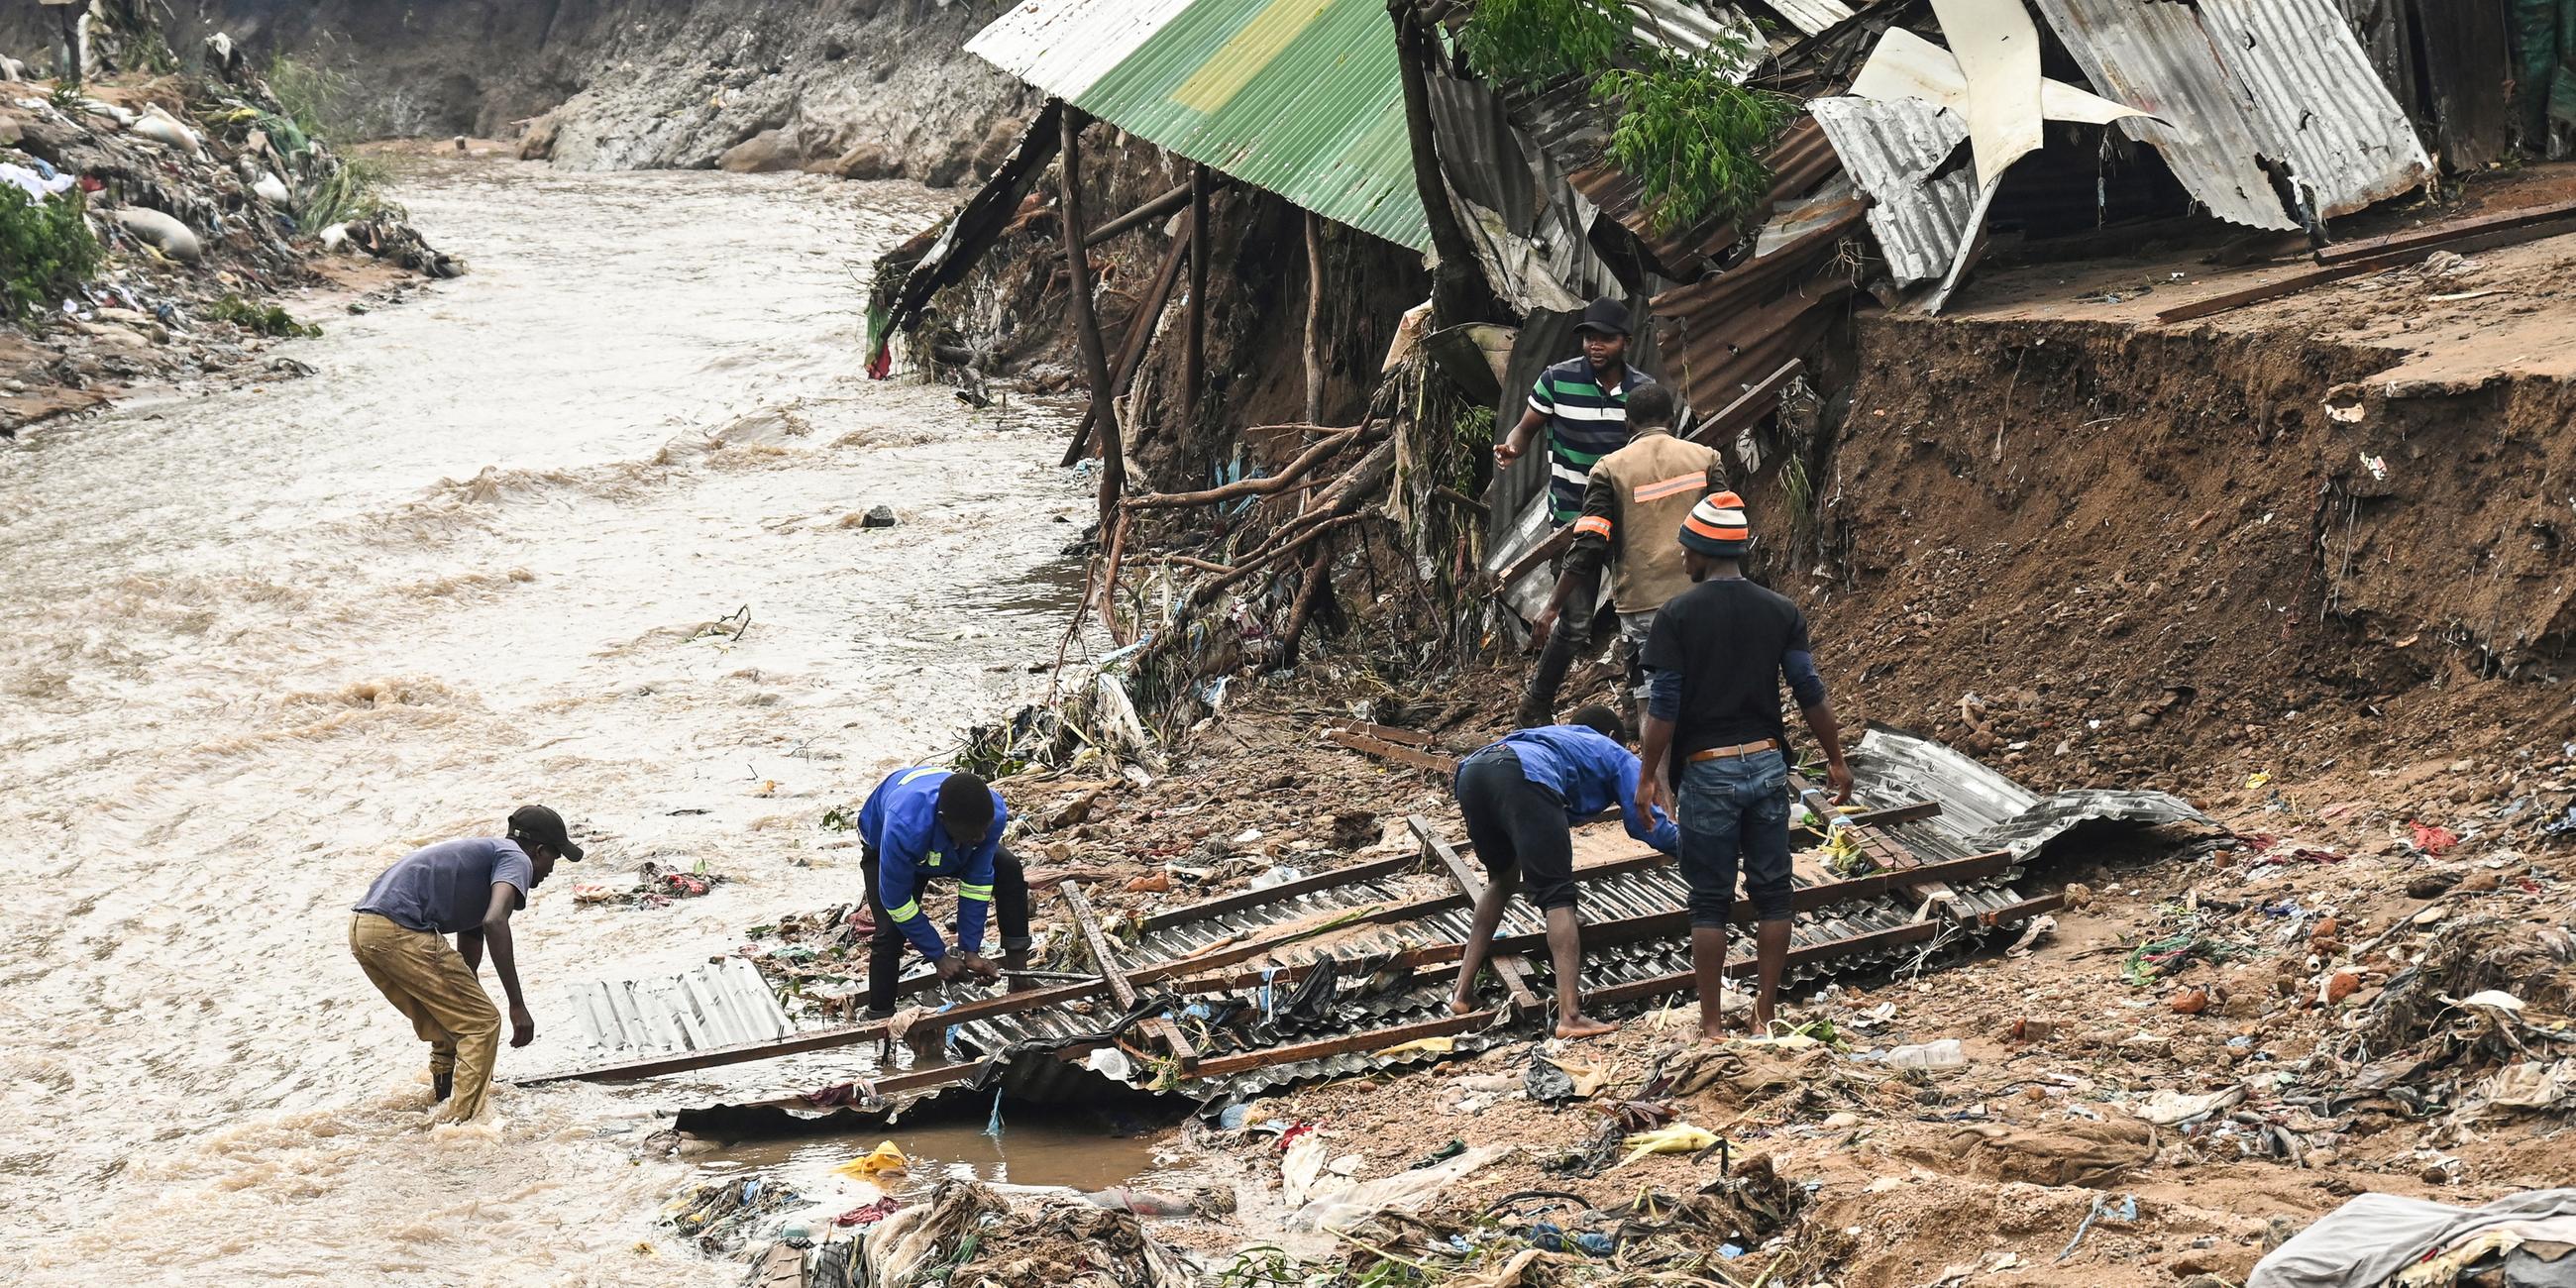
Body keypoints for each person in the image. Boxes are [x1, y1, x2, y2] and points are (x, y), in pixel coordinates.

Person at [1634, 492, 1853, 1038]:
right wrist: (1836, 759)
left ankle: (1711, 1027)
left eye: (1685, 550)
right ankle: (1764, 1016)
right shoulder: (1780, 610)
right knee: (1773, 892)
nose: (1682, 560)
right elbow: (1808, 690)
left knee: (1709, 901)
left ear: (1702, 553)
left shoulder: (1677, 615)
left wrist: (1647, 776)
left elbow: (1664, 706)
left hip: (1707, 770)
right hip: (1767, 765)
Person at [1449, 704, 1680, 1039]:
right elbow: (1646, 824)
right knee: (1558, 896)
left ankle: (1460, 994)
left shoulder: (1554, 738)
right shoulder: (1614, 751)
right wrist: (1697, 844)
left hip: (1473, 772)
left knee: (1502, 879)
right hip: (1524, 775)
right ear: (1614, 735)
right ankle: (1570, 1016)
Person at [349, 805, 585, 1124]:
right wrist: (517, 1005)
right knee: (482, 1024)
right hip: (400, 929)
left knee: (454, 1019)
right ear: (538, 851)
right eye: (553, 859)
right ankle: (461, 1126)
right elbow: (494, 921)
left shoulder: (484, 855)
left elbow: (472, 929)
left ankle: (443, 1099)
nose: (551, 870)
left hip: (364, 928)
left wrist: (467, 985)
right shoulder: (516, 857)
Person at [1493, 297, 1660, 728]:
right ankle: (1536, 703)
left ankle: (1634, 708)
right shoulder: (1557, 380)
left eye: (1605, 338)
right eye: (1589, 337)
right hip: (1571, 519)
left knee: (1635, 616)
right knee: (1575, 621)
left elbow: (1654, 451)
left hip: (1627, 521)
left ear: (1626, 341)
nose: (1594, 346)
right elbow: (1526, 428)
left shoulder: (1642, 392)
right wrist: (1513, 448)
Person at [1529, 382, 1721, 729]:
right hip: (1703, 598)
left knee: (1652, 700)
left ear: (1627, 424)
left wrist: (1554, 605)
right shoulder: (1705, 458)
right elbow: (1727, 526)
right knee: (1709, 686)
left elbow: (1589, 543)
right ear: (1672, 419)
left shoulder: (1609, 469)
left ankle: (1656, 780)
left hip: (1643, 603)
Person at [855, 766, 1033, 1022]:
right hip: (888, 843)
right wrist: (938, 955)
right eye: (976, 834)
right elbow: (897, 902)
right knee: (890, 930)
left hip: (952, 844)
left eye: (985, 830)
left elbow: (977, 883)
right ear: (942, 819)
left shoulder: (991, 815)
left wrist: (969, 950)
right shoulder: (902, 827)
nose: (983, 837)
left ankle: (1019, 980)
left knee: (1008, 868)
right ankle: (880, 1017)